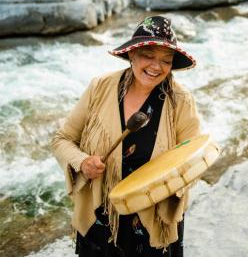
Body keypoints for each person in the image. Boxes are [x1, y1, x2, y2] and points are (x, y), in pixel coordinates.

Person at [51, 15, 201, 256]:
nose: (156, 67)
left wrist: (169, 185)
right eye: (148, 56)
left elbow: (192, 160)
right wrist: (83, 162)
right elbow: (62, 140)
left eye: (165, 60)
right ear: (132, 54)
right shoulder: (100, 87)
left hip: (153, 220)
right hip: (101, 216)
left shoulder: (180, 100)